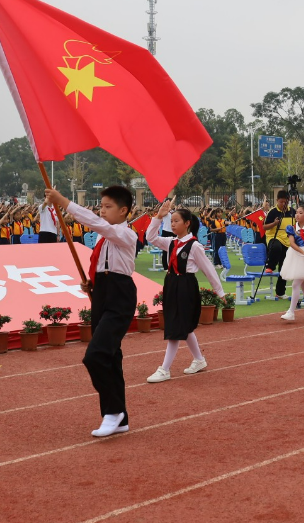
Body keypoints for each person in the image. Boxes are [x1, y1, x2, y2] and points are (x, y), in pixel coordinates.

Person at [46, 185, 137, 438]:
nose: (102, 211)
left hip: (120, 295)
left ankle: (113, 410)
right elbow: (104, 262)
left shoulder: (125, 233)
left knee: (94, 355)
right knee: (111, 357)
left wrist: (63, 201)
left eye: (108, 207)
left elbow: (99, 225)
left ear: (123, 210)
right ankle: (120, 418)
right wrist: (92, 281)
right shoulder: (103, 237)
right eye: (101, 206)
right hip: (101, 293)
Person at [145, 201, 225, 383]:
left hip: (186, 286)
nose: (172, 224)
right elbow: (150, 237)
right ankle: (199, 359)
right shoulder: (171, 242)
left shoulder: (194, 246)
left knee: (175, 327)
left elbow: (208, 269)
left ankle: (164, 369)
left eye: (176, 221)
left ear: (187, 223)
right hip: (171, 283)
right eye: (171, 221)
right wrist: (158, 217)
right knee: (183, 326)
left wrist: (220, 292)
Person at [264, 191, 295, 299]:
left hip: (288, 240)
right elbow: (265, 227)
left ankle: (280, 292)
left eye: (285, 202)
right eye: (281, 202)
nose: (283, 204)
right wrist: (274, 223)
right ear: (277, 201)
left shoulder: (292, 212)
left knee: (284, 267)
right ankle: (270, 266)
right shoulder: (273, 212)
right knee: (276, 247)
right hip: (274, 237)